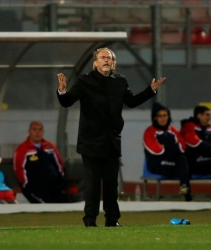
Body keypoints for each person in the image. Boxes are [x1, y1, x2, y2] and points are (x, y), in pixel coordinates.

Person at [56, 47, 165, 227]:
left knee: (111, 185)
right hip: (90, 141)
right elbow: (67, 102)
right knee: (91, 185)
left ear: (113, 63)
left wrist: (150, 90)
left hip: (112, 140)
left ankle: (112, 220)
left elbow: (131, 102)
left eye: (110, 58)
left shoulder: (120, 81)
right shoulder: (85, 81)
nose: (107, 60)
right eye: (103, 57)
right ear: (95, 62)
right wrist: (62, 91)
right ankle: (90, 221)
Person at [143, 102, 192, 201]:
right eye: (160, 116)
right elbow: (157, 151)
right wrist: (173, 147)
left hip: (172, 163)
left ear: (168, 116)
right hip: (156, 164)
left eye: (165, 115)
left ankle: (185, 191)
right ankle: (187, 195)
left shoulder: (173, 130)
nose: (162, 118)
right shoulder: (150, 131)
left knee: (183, 159)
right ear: (155, 118)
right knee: (183, 165)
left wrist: (166, 146)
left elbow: (182, 147)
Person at [13, 121, 67, 203]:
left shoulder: (50, 146)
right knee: (46, 207)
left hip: (54, 186)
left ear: (43, 132)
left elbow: (59, 164)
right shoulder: (22, 149)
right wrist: (26, 186)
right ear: (29, 131)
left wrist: (60, 180)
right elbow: (19, 169)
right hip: (34, 188)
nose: (37, 132)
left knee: (64, 204)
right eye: (34, 129)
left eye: (40, 129)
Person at [180, 106, 211, 175]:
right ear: (199, 115)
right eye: (207, 115)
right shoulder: (188, 126)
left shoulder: (209, 128)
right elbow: (193, 141)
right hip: (193, 161)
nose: (209, 117)